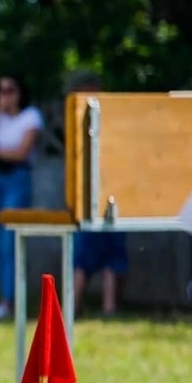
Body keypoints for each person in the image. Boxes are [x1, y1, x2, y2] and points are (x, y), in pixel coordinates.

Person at [0, 75, 42, 320]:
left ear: (20, 92)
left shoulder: (31, 116)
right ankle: (6, 299)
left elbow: (21, 153)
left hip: (17, 178)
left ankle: (12, 299)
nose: (5, 95)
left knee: (10, 240)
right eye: (1, 91)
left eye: (10, 90)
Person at [67, 74, 127, 316]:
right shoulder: (76, 122)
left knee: (112, 253)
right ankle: (73, 306)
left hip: (110, 193)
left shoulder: (111, 120)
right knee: (83, 257)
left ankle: (108, 306)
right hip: (86, 197)